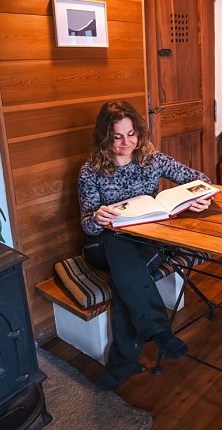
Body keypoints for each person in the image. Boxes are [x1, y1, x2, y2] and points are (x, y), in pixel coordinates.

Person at [78, 100, 212, 391]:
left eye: (132, 134)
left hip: (145, 245)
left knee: (126, 279)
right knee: (119, 248)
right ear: (105, 137)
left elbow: (201, 180)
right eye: (117, 137)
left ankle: (125, 362)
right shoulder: (90, 172)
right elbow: (86, 225)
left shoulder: (153, 160)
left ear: (138, 132)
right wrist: (99, 217)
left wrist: (199, 199)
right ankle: (158, 330)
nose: (127, 142)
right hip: (102, 246)